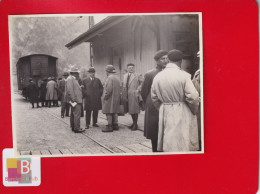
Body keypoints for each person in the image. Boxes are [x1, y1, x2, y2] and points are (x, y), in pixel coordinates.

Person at [151, 49, 200, 152]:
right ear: (181, 60)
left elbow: (154, 97)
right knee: (182, 139)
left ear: (168, 59)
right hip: (182, 109)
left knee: (169, 139)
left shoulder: (158, 76)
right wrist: (193, 110)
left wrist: (162, 108)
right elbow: (193, 97)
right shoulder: (184, 76)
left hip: (165, 109)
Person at [141, 50, 168, 152]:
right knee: (155, 130)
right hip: (153, 106)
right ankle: (155, 152)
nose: (165, 61)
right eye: (162, 59)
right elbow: (144, 92)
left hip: (166, 104)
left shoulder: (169, 72)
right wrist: (149, 103)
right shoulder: (150, 74)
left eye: (166, 58)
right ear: (157, 61)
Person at [122, 63, 143, 131]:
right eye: (129, 68)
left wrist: (138, 90)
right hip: (127, 95)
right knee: (130, 110)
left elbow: (142, 83)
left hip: (134, 94)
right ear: (127, 68)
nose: (131, 69)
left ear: (134, 68)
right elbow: (124, 85)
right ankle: (133, 123)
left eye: (132, 68)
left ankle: (135, 124)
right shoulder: (125, 75)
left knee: (135, 110)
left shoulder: (137, 75)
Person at [102, 65, 121, 132]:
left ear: (107, 71)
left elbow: (109, 89)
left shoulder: (109, 78)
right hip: (116, 98)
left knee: (108, 111)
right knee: (115, 111)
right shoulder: (117, 78)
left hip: (110, 98)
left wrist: (105, 97)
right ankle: (115, 125)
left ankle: (110, 126)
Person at [66, 67, 85, 133]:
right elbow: (70, 90)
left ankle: (74, 127)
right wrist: (74, 99)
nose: (78, 74)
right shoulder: (70, 79)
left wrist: (80, 87)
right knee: (77, 114)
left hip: (75, 99)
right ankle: (77, 128)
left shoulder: (72, 79)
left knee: (73, 113)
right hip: (75, 100)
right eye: (77, 73)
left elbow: (73, 89)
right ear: (73, 73)